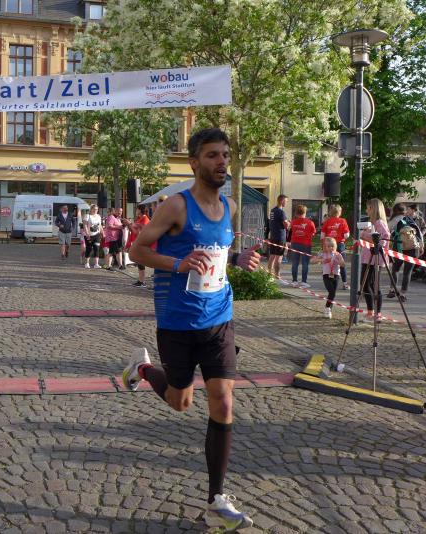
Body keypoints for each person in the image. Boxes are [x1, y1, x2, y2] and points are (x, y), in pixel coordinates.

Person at [123, 128, 259, 531]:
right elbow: (136, 250)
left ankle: (216, 501)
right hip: (178, 322)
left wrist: (240, 259)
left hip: (219, 318)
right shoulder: (176, 207)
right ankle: (142, 369)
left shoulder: (230, 205)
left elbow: (219, 253)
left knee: (223, 402)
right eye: (213, 155)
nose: (222, 162)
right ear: (194, 163)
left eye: (225, 155)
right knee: (181, 402)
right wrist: (177, 264)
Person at [360, 198, 390, 320]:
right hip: (368, 258)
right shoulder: (372, 223)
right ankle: (371, 311)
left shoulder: (379, 222)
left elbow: (384, 237)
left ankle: (377, 313)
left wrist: (364, 235)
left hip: (374, 259)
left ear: (373, 209)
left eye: (368, 208)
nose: (366, 210)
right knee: (366, 284)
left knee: (373, 285)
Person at [388, 203, 423, 301]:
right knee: (407, 272)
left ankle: (392, 290)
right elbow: (419, 233)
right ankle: (403, 294)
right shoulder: (410, 219)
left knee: (395, 269)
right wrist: (421, 246)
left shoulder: (393, 220)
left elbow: (388, 233)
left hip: (398, 246)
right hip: (412, 248)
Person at [311, 237, 345, 318]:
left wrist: (338, 261)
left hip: (336, 275)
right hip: (326, 275)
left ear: (335, 246)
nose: (330, 248)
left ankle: (328, 309)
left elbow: (343, 264)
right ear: (324, 246)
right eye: (328, 246)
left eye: (332, 246)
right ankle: (327, 308)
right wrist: (321, 260)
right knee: (331, 292)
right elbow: (312, 260)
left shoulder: (337, 254)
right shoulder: (323, 253)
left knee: (333, 294)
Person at [320, 204, 350, 290]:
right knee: (341, 263)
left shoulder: (327, 222)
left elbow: (322, 236)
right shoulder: (343, 221)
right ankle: (345, 283)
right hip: (340, 245)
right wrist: (341, 236)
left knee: (329, 263)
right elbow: (347, 235)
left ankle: (330, 282)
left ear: (330, 212)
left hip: (328, 245)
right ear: (339, 212)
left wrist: (323, 246)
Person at [288, 205, 315, 288]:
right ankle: (304, 281)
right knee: (305, 263)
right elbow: (313, 233)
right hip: (306, 244)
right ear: (305, 212)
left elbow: (290, 229)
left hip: (295, 243)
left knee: (295, 263)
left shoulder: (293, 222)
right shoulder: (310, 222)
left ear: (296, 213)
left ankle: (294, 281)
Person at [266, 195, 290, 281]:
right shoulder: (281, 212)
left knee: (272, 255)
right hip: (280, 237)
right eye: (286, 201)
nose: (286, 203)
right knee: (279, 257)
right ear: (282, 201)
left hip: (273, 236)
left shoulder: (272, 210)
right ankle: (277, 275)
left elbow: (271, 223)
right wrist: (289, 223)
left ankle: (269, 274)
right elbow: (286, 225)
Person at [126, 205, 151, 287]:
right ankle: (140, 280)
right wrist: (129, 225)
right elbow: (134, 231)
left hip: (142, 243)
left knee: (140, 262)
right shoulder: (139, 219)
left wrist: (130, 224)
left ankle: (142, 281)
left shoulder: (145, 219)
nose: (136, 211)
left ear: (140, 210)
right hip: (137, 242)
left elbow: (140, 232)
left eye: (137, 209)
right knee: (139, 262)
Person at [83, 204, 102, 269]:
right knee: (89, 249)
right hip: (89, 235)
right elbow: (85, 225)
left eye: (97, 209)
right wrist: (87, 233)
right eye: (94, 209)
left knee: (96, 248)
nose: (95, 210)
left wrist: (102, 232)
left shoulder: (98, 216)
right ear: (91, 209)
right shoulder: (87, 216)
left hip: (97, 234)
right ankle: (87, 263)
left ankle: (96, 264)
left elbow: (100, 225)